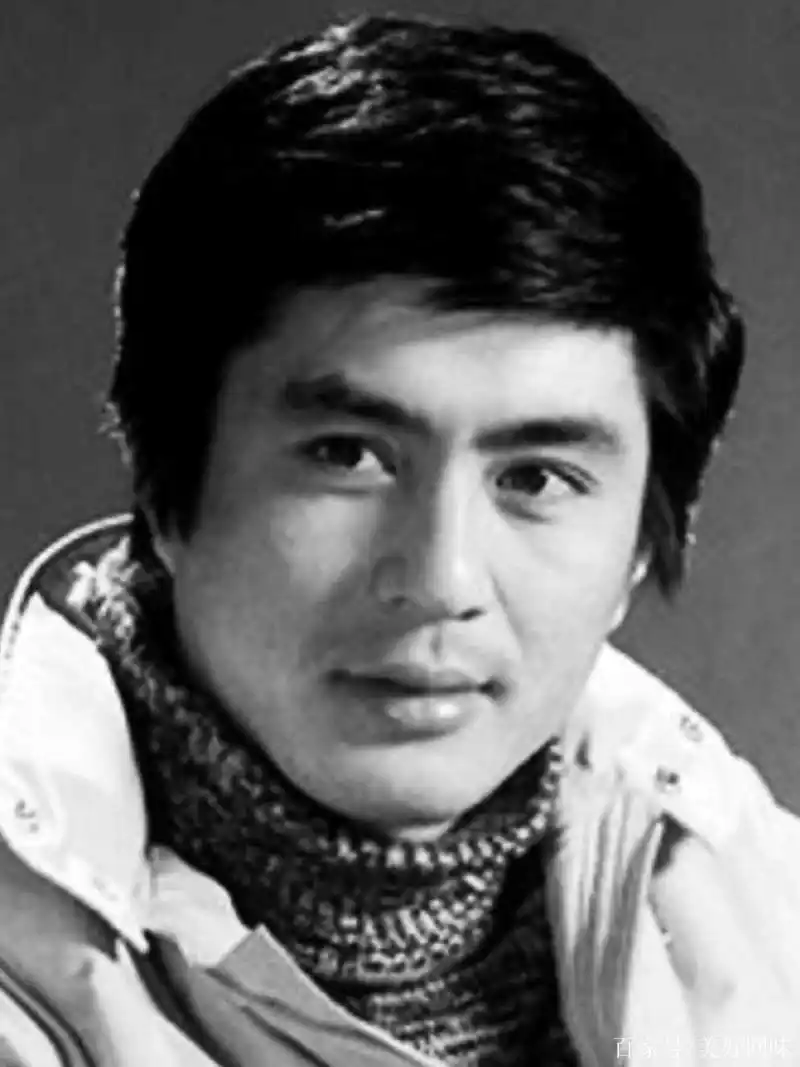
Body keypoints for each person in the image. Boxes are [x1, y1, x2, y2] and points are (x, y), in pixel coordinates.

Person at [0, 13, 798, 1066]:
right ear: (163, 482)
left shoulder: (771, 922)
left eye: (535, 478)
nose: (439, 576)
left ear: (638, 547)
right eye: (347, 455)